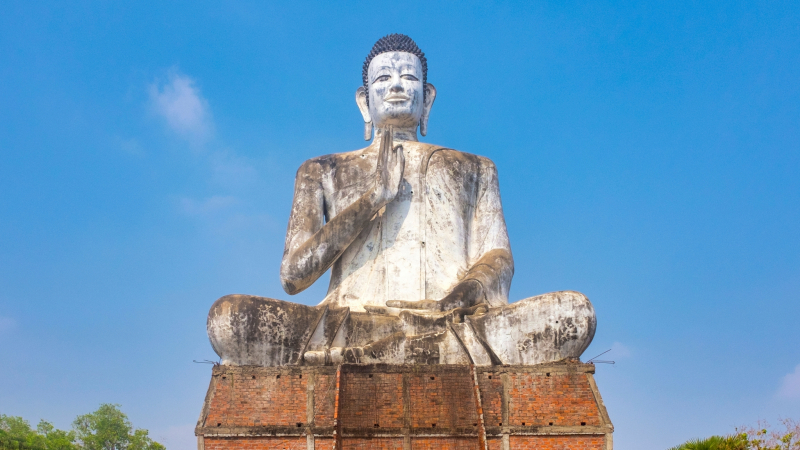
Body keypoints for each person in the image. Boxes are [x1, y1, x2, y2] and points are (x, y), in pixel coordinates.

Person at [207, 34, 596, 367]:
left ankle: (387, 351)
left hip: (452, 322)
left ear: (427, 98)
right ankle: (409, 349)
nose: (396, 86)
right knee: (230, 319)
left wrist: (458, 299)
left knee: (572, 313)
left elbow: (498, 258)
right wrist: (372, 198)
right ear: (364, 101)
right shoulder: (322, 170)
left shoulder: (475, 168)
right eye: (384, 78)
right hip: (350, 323)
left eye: (408, 77)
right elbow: (293, 276)